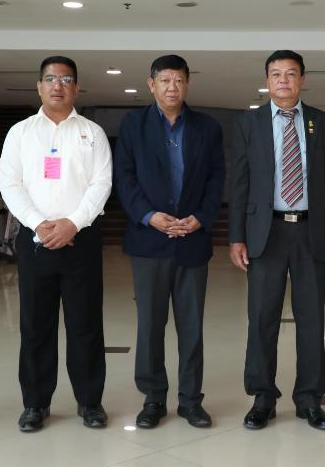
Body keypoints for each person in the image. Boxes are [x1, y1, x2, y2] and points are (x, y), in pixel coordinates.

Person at [229, 50, 325, 431]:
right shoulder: (248, 123)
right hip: (265, 233)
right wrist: (236, 237)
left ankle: (310, 399)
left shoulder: (323, 122)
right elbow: (239, 184)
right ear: (266, 80)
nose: (283, 80)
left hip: (311, 231)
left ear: (302, 79)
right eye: (276, 74)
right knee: (261, 318)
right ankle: (262, 397)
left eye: (291, 73)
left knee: (311, 318)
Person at [0, 56, 112, 432]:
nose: (57, 86)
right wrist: (38, 223)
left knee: (85, 325)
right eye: (50, 79)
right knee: (35, 326)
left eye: (65, 79)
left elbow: (101, 183)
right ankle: (35, 403)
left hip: (82, 240)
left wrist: (73, 223)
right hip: (36, 241)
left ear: (76, 88)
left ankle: (90, 402)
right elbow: (9, 183)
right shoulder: (21, 133)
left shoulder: (92, 133)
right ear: (39, 87)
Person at [114, 54, 225, 429]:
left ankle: (191, 400)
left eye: (178, 80)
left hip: (192, 240)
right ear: (151, 85)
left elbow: (216, 178)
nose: (172, 87)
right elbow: (124, 178)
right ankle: (153, 399)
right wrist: (149, 216)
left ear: (187, 84)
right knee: (150, 326)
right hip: (149, 241)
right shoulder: (133, 125)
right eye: (164, 80)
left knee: (191, 327)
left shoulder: (207, 127)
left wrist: (201, 218)